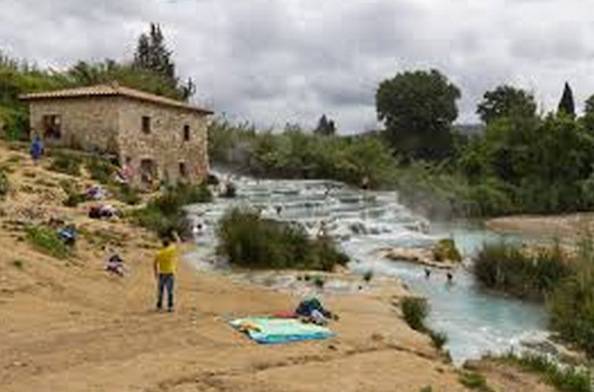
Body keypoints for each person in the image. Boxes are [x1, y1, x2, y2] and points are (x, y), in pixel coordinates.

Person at [153, 233, 179, 312]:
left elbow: (154, 263)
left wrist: (155, 272)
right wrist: (175, 235)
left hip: (161, 273)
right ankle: (170, 306)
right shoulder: (171, 250)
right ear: (169, 244)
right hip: (170, 273)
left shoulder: (159, 253)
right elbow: (178, 242)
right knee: (170, 291)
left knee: (160, 290)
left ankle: (159, 306)